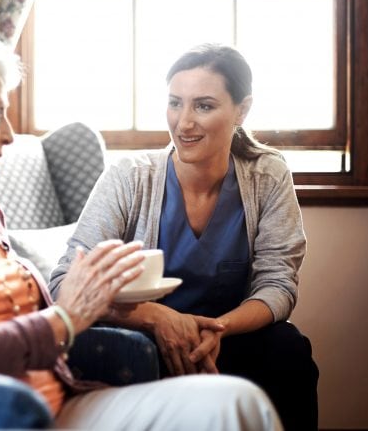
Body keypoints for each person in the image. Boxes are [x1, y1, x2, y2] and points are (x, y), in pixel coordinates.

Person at [0, 13, 282, 430]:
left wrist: (116, 304)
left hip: (56, 405)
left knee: (235, 401)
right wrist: (68, 318)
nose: (9, 132)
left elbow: (49, 316)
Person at [49, 43, 319, 431]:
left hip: (225, 338)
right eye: (176, 103)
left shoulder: (268, 175)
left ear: (241, 110)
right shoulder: (129, 178)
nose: (184, 122)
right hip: (143, 341)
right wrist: (156, 318)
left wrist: (216, 329)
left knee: (288, 349)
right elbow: (64, 285)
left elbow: (278, 285)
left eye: (203, 106)